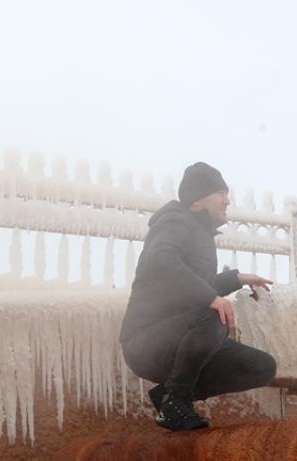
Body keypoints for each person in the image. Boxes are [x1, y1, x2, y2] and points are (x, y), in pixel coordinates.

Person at [119, 161, 278, 431]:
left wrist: (237, 279)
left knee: (261, 367)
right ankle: (176, 401)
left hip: (183, 335)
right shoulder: (174, 222)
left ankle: (168, 396)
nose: (227, 201)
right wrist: (212, 299)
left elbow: (193, 285)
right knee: (215, 313)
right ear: (197, 200)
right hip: (146, 339)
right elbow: (162, 260)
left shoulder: (199, 232)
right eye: (220, 193)